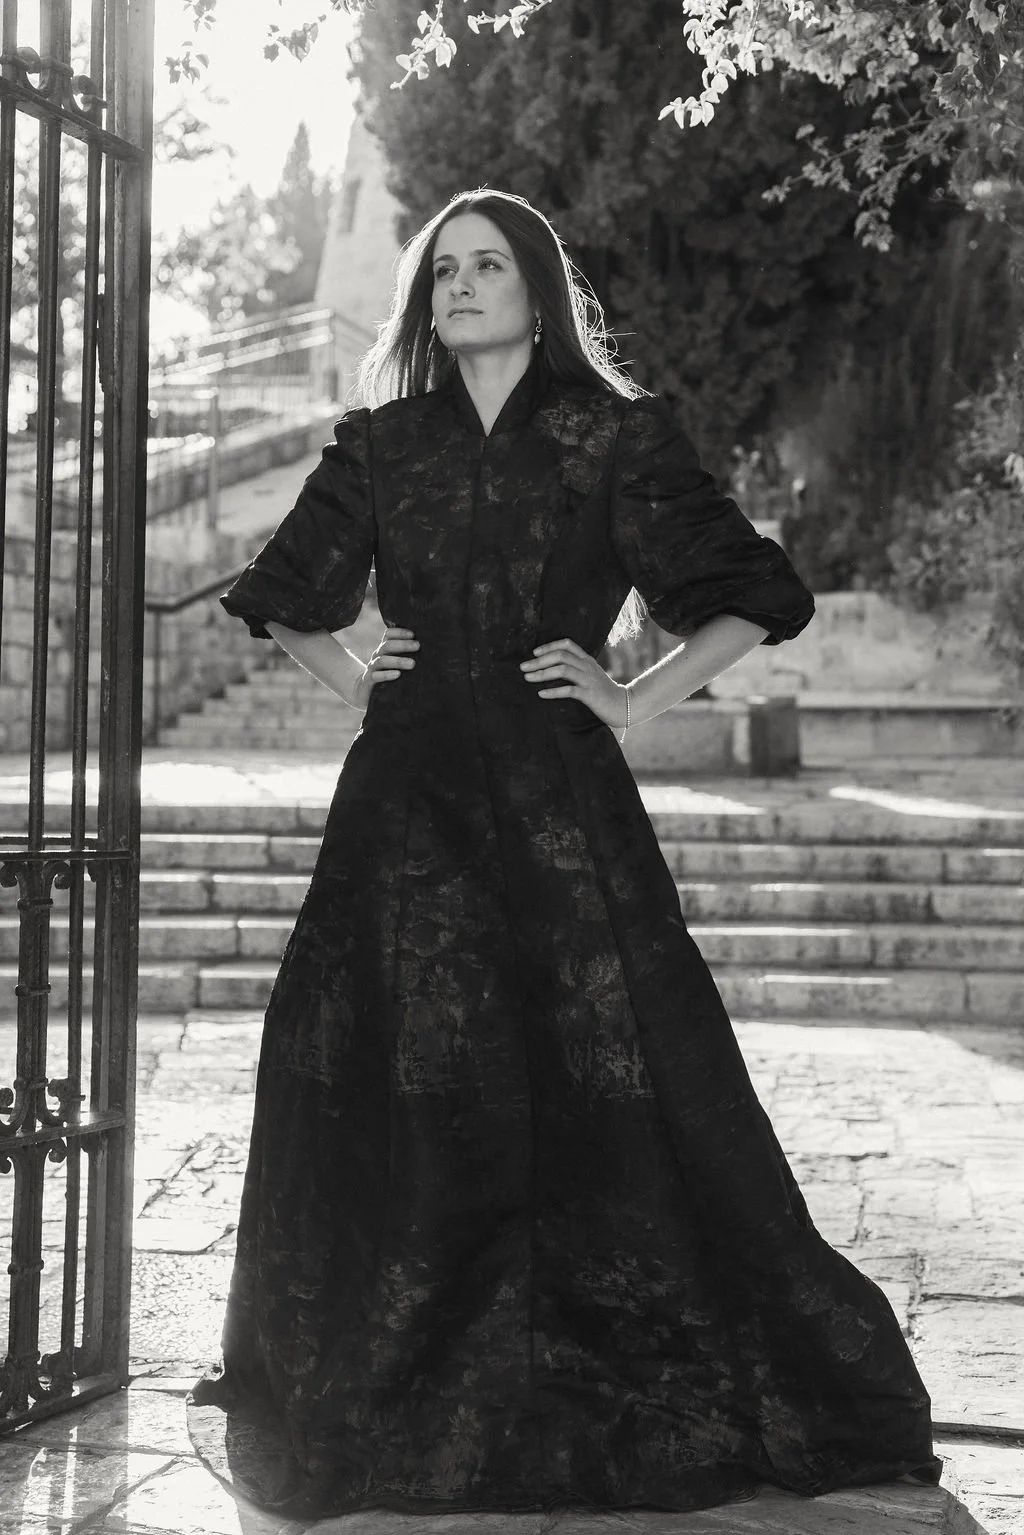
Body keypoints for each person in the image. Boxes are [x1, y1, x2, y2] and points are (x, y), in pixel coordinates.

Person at [186, 188, 942, 1517]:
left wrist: (637, 697)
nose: (461, 285)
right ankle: (406, 1374)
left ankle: (590, 1365)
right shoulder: (384, 440)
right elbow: (283, 590)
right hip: (407, 809)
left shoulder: (612, 436)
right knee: (386, 1074)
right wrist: (359, 669)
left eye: (488, 265)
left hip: (557, 806)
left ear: (540, 286)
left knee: (607, 1079)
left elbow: (755, 594)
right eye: (444, 270)